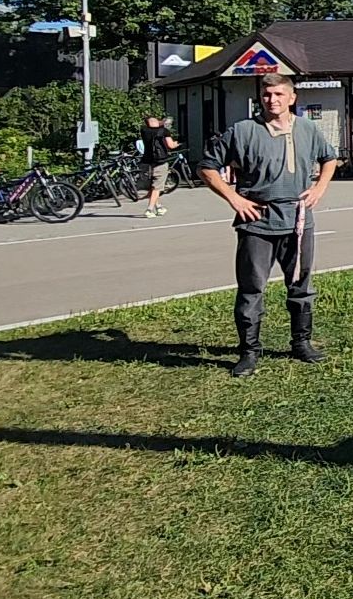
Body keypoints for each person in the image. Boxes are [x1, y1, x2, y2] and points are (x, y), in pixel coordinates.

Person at [198, 73, 339, 377]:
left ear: (292, 98)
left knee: (301, 285)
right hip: (257, 223)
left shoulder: (308, 129)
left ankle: (301, 343)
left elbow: (329, 158)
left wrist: (319, 188)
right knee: (251, 289)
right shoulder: (243, 131)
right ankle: (249, 351)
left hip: (298, 221)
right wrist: (235, 199)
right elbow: (207, 167)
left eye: (278, 94)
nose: (272, 100)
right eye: (266, 95)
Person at [139, 114, 179, 218]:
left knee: (153, 186)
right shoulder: (164, 131)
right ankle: (149, 209)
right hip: (160, 162)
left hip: (146, 162)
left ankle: (159, 207)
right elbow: (171, 145)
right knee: (157, 187)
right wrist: (178, 142)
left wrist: (161, 123)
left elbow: (154, 128)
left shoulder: (144, 130)